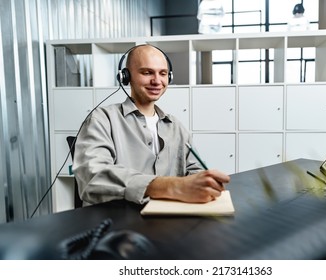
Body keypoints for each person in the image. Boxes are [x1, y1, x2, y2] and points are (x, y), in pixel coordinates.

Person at [72, 45, 230, 206]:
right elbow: (93, 176)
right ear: (126, 76)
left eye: (163, 73)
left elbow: (194, 171)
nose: (156, 81)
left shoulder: (176, 127)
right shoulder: (102, 119)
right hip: (116, 220)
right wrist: (169, 186)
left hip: (167, 219)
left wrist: (205, 184)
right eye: (147, 72)